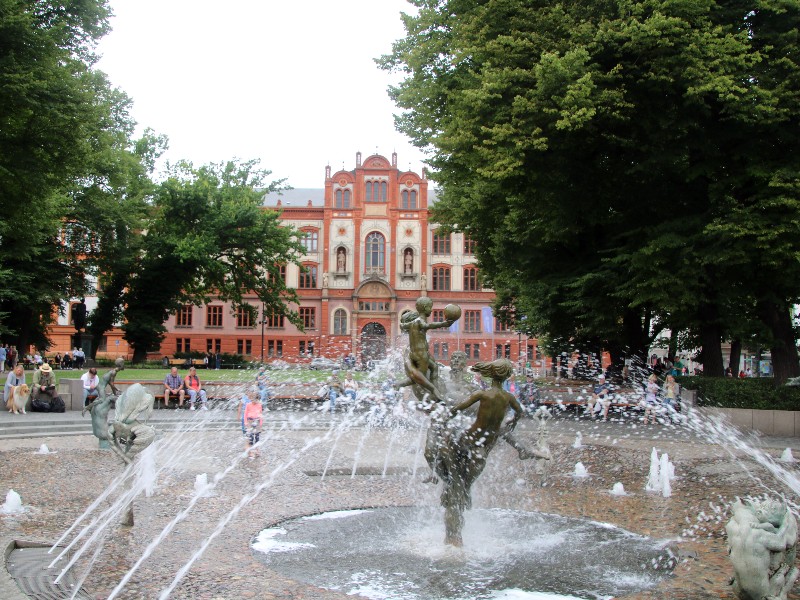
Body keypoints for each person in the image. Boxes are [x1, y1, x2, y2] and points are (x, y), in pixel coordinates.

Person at [396, 297, 457, 404]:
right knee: (420, 376)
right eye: (430, 307)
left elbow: (403, 326)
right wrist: (444, 324)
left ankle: (435, 390)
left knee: (434, 367)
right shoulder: (419, 322)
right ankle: (399, 384)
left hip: (419, 357)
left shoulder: (412, 324)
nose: (431, 310)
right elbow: (428, 326)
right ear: (425, 308)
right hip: (421, 361)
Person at [243, 392, 263, 458]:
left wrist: (260, 424)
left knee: (257, 437)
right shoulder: (248, 405)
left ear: (257, 399)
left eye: (255, 400)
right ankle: (251, 451)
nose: (253, 401)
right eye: (252, 399)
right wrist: (245, 422)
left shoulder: (259, 405)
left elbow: (260, 415)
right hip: (250, 421)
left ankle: (257, 450)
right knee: (250, 437)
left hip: (256, 421)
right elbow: (245, 414)